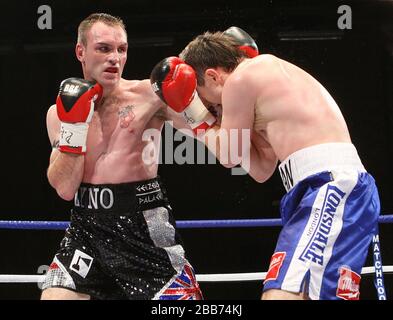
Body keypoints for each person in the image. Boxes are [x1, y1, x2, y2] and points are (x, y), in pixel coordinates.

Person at [149, 28, 381, 300]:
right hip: (325, 189)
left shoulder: (241, 79)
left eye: (203, 96)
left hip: (330, 187)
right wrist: (208, 122)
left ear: (212, 76)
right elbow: (261, 169)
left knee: (280, 296)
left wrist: (194, 115)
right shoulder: (266, 86)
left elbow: (229, 155)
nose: (211, 107)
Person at [41, 13, 202, 300]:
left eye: (121, 49)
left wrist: (193, 100)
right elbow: (65, 188)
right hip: (86, 230)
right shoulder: (59, 112)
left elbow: (210, 131)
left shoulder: (149, 95)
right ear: (81, 51)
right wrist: (76, 127)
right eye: (104, 48)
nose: (114, 58)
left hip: (143, 231)